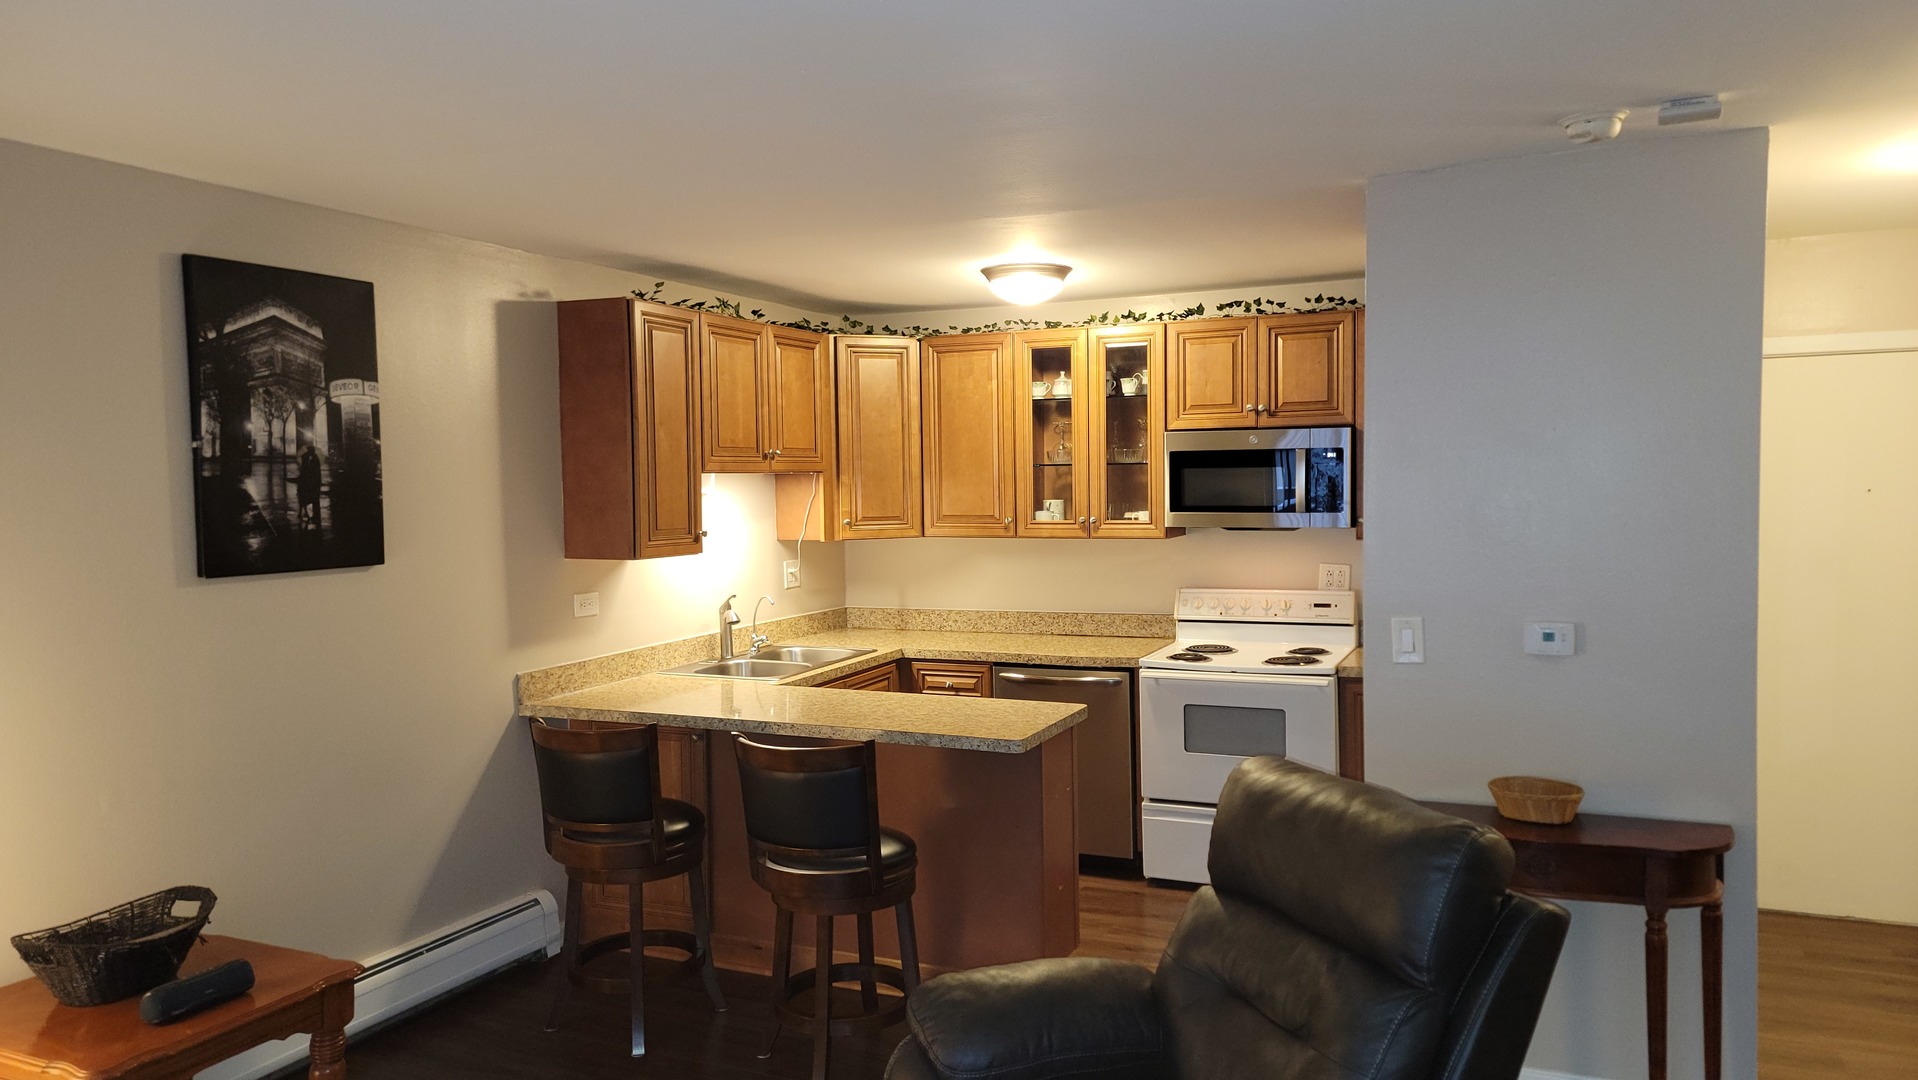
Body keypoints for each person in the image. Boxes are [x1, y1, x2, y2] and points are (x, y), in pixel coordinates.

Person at [297, 445, 322, 530]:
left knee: (308, 497)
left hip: (312, 482)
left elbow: (312, 471)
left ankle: (313, 515)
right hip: (312, 482)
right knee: (312, 498)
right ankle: (313, 514)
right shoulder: (312, 458)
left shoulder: (313, 459)